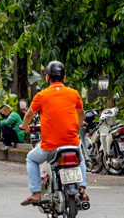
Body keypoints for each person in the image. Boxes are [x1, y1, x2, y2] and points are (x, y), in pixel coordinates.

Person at [19, 61, 88, 207]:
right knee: (80, 158)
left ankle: (36, 193)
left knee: (31, 158)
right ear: (64, 77)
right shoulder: (73, 93)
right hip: (72, 143)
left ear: (47, 77)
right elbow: (81, 112)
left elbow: (29, 114)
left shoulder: (41, 95)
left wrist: (24, 126)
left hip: (50, 147)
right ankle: (82, 188)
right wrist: (80, 123)